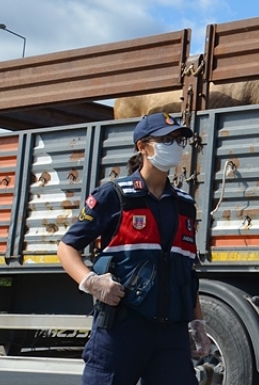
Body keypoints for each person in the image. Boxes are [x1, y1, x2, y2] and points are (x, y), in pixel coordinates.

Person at [58, 112, 213, 385]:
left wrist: (197, 323)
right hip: (122, 328)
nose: (175, 146)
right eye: (166, 139)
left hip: (171, 335)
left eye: (179, 140)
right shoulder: (114, 196)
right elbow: (66, 247)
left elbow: (185, 272)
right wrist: (91, 281)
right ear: (143, 146)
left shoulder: (184, 205)